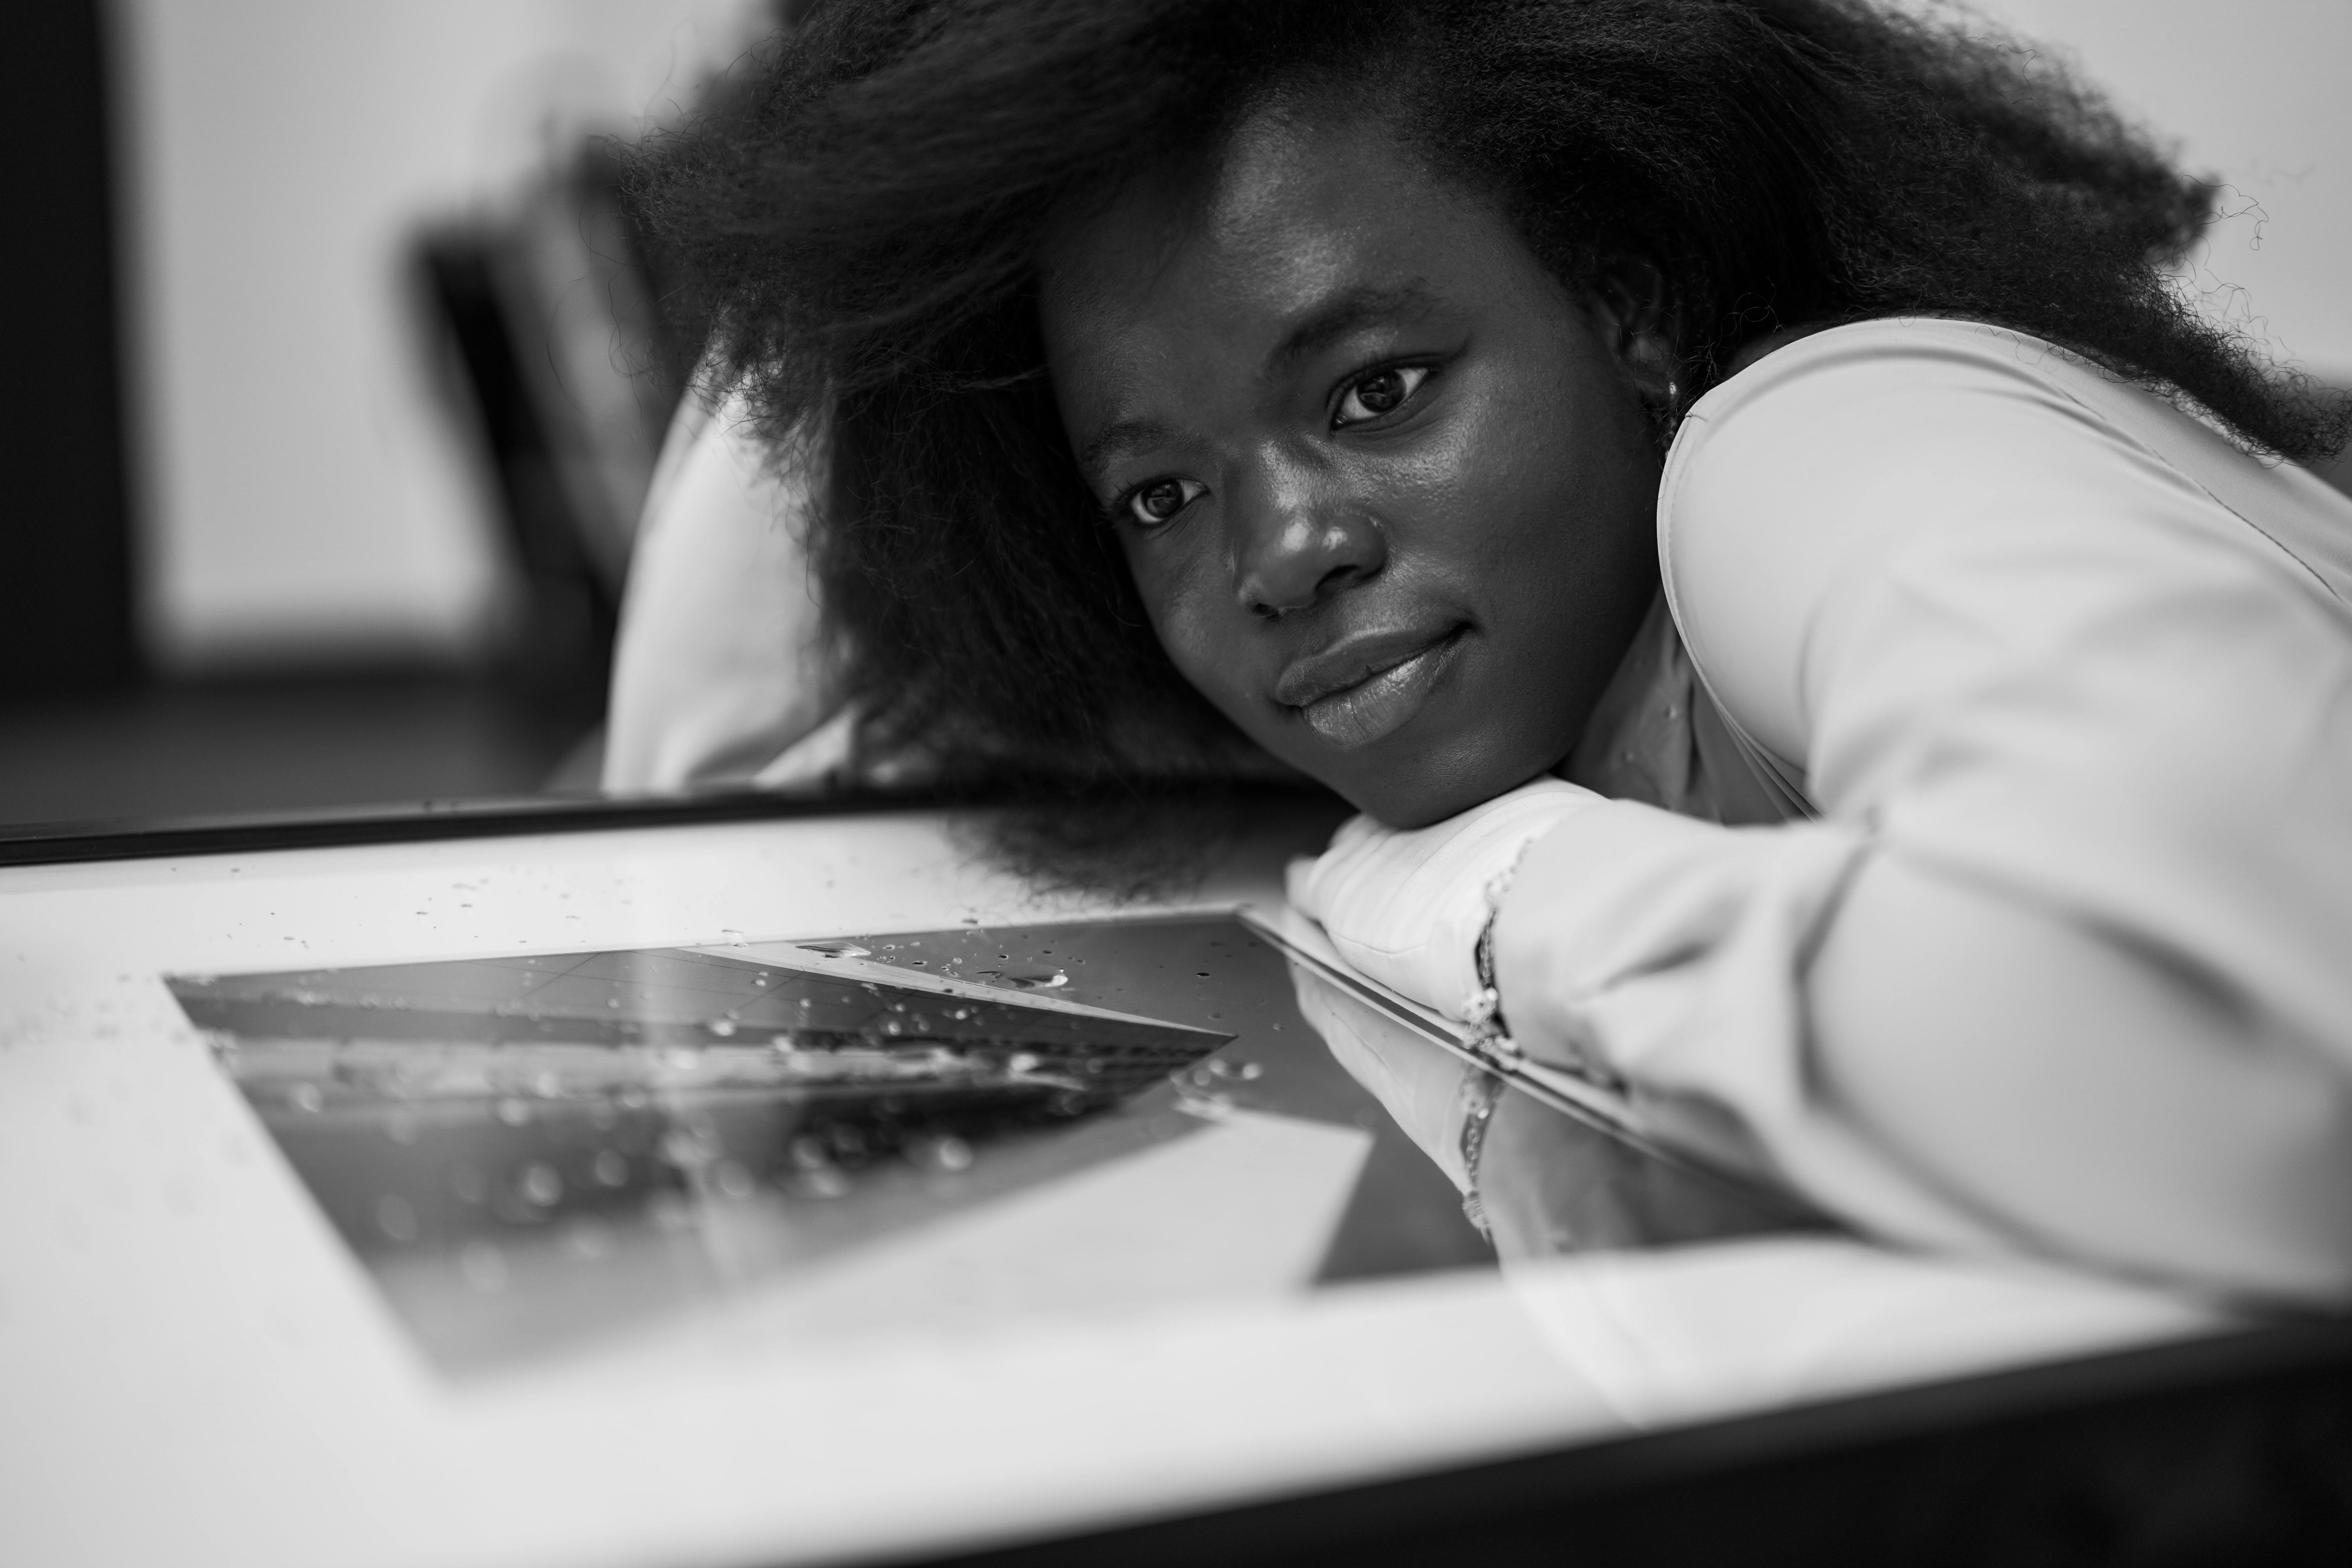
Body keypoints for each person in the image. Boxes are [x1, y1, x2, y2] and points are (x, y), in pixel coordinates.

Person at [612, 0, 2352, 1300]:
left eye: (1376, 390)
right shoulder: (1480, 677)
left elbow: (2254, 1076)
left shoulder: (1808, 443)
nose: (1281, 553)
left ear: (1629, 300)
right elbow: (751, 700)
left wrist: (1513, 894)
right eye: (1160, 495)